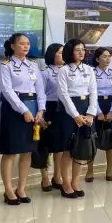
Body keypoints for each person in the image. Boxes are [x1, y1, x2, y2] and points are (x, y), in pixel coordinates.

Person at [0, 33, 46, 205]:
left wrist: (41, 109)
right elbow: (8, 91)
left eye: (28, 44)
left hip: (33, 108)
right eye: (21, 43)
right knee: (10, 151)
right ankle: (8, 190)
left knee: (27, 150)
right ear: (13, 46)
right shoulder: (7, 66)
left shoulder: (33, 65)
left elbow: (40, 89)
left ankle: (21, 188)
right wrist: (23, 110)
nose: (26, 46)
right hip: (14, 110)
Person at [57, 39, 97, 198]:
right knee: (68, 150)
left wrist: (91, 113)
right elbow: (63, 95)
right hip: (69, 112)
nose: (81, 52)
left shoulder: (89, 69)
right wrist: (75, 115)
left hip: (86, 110)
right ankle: (66, 184)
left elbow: (93, 92)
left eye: (83, 49)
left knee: (81, 148)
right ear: (70, 52)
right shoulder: (63, 70)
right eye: (77, 49)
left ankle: (75, 182)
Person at [87, 47, 112, 183]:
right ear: (97, 59)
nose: (108, 59)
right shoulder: (92, 73)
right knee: (92, 139)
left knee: (110, 139)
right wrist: (98, 112)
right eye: (104, 56)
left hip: (110, 105)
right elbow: (91, 93)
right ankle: (90, 170)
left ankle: (109, 169)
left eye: (109, 56)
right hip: (95, 106)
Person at [39, 43, 64, 191]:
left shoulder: (67, 71)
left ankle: (57, 176)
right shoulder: (45, 72)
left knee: (60, 145)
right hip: (48, 108)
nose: (63, 55)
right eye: (60, 52)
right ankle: (45, 177)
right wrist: (41, 115)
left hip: (63, 108)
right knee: (45, 144)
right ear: (52, 54)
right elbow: (40, 94)